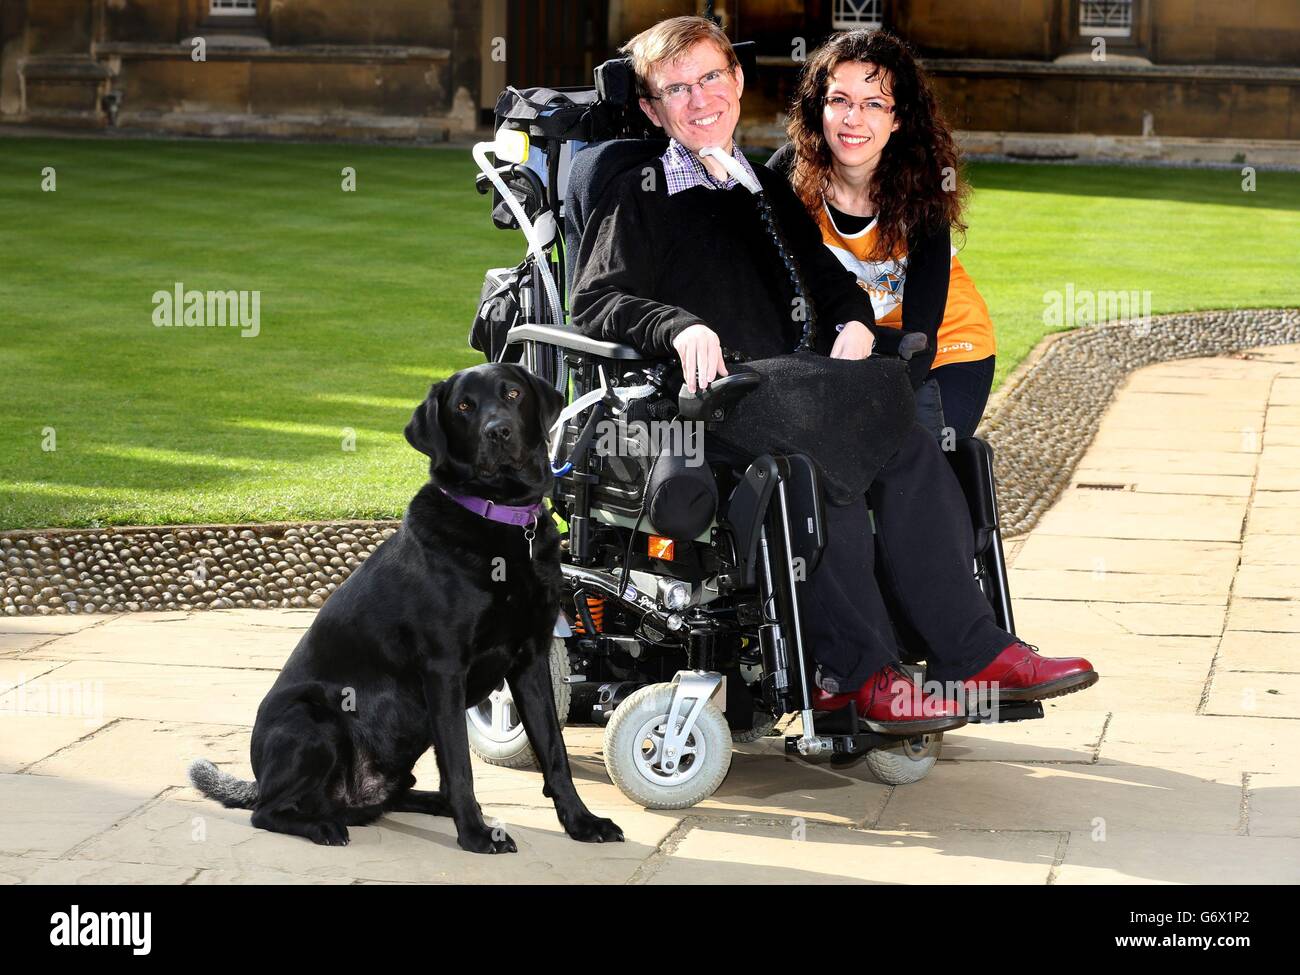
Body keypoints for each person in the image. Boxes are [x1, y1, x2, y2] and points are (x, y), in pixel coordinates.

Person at [570, 15, 1097, 726]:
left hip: (793, 387)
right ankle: (856, 675)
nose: (698, 100)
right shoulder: (644, 188)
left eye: (710, 79)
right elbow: (597, 299)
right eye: (676, 88)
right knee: (826, 451)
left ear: (738, 82)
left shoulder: (765, 188)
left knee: (905, 438)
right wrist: (680, 325)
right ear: (650, 108)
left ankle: (970, 652)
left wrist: (852, 320)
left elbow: (831, 282)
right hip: (708, 402)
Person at [767, 29, 996, 442]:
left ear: (898, 117)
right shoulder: (790, 171)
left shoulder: (925, 188)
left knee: (919, 448)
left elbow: (922, 334)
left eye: (874, 104)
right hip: (848, 336)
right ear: (820, 106)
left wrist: (872, 404)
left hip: (942, 343)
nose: (853, 119)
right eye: (840, 100)